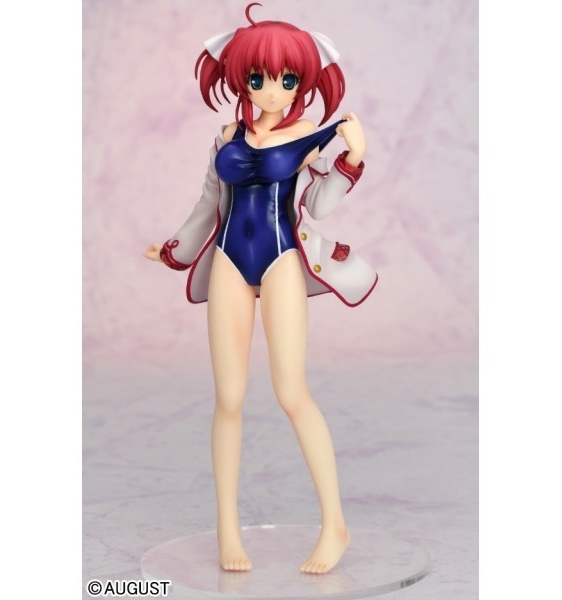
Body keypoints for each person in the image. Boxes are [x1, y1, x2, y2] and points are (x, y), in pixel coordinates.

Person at [144, 3, 378, 574]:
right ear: (239, 78)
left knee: (291, 392)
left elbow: (318, 202)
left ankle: (335, 523)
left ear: (304, 81)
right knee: (228, 398)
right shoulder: (227, 135)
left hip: (280, 261)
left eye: (287, 79)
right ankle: (227, 528)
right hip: (229, 259)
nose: (272, 91)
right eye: (258, 78)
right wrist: (174, 250)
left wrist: (352, 159)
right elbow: (208, 203)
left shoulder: (311, 136)